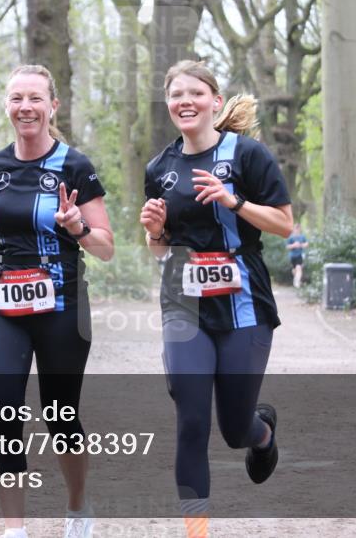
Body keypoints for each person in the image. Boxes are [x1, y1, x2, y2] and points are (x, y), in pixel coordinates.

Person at [0, 64, 114, 538]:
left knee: (61, 415)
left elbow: (105, 247)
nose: (26, 107)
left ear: (52, 107)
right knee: (5, 412)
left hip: (63, 306)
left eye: (35, 99)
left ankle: (78, 506)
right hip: (3, 305)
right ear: (7, 106)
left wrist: (77, 226)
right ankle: (14, 529)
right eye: (17, 98)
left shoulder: (74, 166)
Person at [140, 61, 293, 538]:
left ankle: (261, 433)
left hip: (244, 302)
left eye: (195, 93)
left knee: (233, 429)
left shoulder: (247, 155)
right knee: (191, 420)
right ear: (168, 104)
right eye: (176, 94)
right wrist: (155, 232)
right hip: (183, 304)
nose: (185, 101)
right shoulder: (160, 168)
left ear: (215, 100)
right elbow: (160, 249)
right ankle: (197, 532)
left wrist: (234, 202)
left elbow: (285, 224)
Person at [286, 223, 309, 288]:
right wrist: (294, 245)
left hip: (300, 255)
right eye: (296, 229)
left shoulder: (302, 237)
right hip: (292, 256)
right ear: (294, 229)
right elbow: (287, 247)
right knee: (294, 270)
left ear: (300, 229)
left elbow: (306, 244)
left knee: (299, 268)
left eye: (298, 229)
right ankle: (296, 279)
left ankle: (297, 283)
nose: (297, 230)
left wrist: (301, 245)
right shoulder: (291, 237)